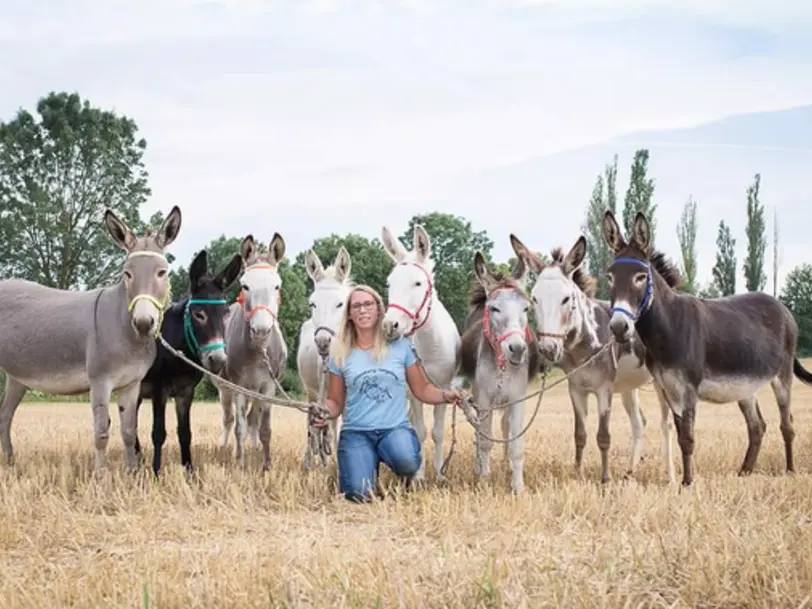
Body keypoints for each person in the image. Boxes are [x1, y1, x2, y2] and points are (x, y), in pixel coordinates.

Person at [310, 284, 463, 502]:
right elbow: (335, 401)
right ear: (350, 314)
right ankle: (365, 460)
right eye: (356, 306)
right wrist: (324, 412)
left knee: (407, 461)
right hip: (356, 432)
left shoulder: (401, 346)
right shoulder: (339, 352)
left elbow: (421, 389)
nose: (363, 310)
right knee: (357, 494)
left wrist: (445, 395)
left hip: (393, 429)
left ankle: (394, 461)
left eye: (368, 304)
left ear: (379, 309)